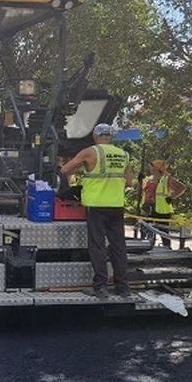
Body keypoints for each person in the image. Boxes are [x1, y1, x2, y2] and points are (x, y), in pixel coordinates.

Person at [60, 123, 134, 299]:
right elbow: (129, 183)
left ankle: (100, 287)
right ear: (111, 136)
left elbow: (65, 170)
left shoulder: (90, 152)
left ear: (95, 136)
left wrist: (83, 169)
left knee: (98, 246)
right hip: (116, 205)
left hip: (96, 206)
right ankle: (123, 287)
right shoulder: (124, 155)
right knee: (118, 246)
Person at [141, 159, 187, 247]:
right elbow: (141, 191)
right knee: (148, 231)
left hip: (163, 210)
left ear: (157, 168)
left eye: (152, 166)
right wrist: (140, 181)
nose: (150, 168)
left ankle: (167, 249)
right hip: (149, 209)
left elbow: (182, 187)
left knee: (164, 233)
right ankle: (147, 248)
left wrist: (172, 197)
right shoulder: (149, 179)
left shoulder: (166, 179)